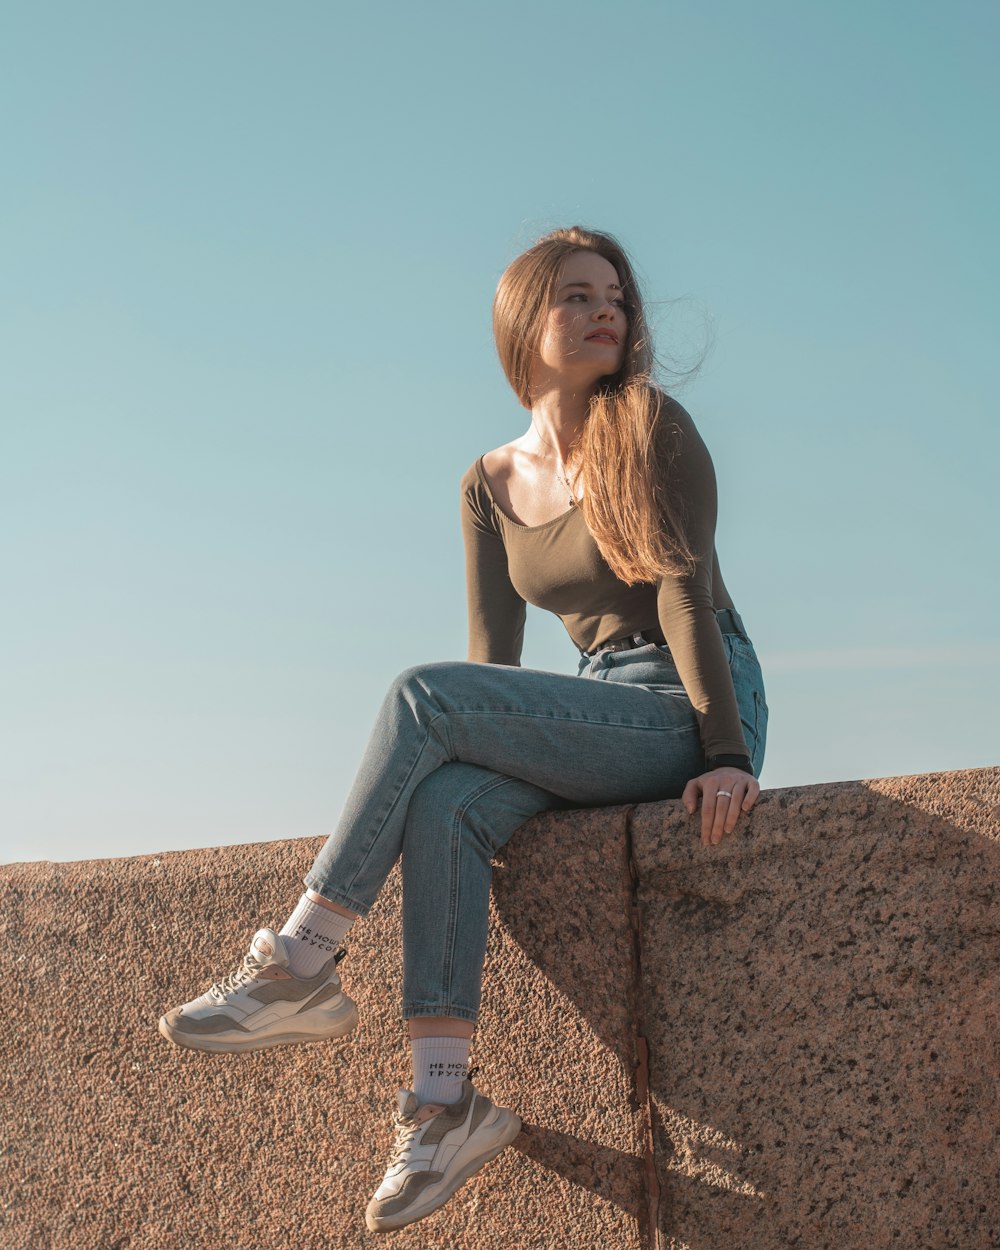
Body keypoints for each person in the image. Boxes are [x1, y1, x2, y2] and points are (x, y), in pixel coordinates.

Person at [157, 225, 768, 1233]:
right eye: (577, 294)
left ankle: (300, 960)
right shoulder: (486, 483)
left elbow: (684, 598)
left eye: (615, 293)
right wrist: (492, 731)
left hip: (688, 701)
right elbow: (494, 665)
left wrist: (726, 752)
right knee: (443, 800)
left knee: (418, 694)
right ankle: (443, 1103)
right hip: (592, 698)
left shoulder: (652, 426)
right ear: (526, 323)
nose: (606, 308)